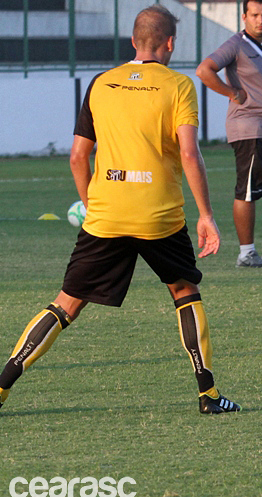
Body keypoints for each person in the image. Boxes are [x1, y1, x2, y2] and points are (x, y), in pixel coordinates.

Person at [0, 5, 239, 415]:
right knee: (184, 291)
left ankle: (2, 386)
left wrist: (94, 204)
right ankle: (209, 396)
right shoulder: (179, 85)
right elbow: (188, 153)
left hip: (107, 214)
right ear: (169, 43)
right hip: (159, 216)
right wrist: (206, 215)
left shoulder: (101, 82)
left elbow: (78, 157)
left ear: (133, 41)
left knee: (66, 303)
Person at [196, 0, 262, 268]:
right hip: (249, 127)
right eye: (255, 15)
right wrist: (232, 92)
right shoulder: (236, 44)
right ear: (244, 16)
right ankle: (246, 253)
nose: (261, 20)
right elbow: (204, 70)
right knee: (248, 191)